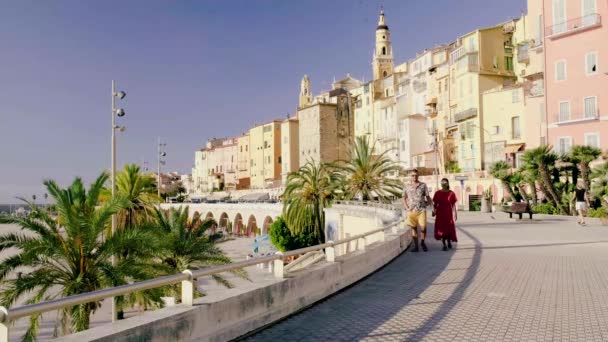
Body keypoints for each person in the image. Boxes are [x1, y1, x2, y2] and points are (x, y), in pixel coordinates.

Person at [403, 169, 432, 252]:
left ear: (418, 176)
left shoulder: (423, 185)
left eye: (416, 175)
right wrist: (407, 208)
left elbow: (428, 197)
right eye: (412, 175)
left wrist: (428, 204)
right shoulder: (406, 186)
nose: (414, 177)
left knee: (423, 228)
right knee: (414, 229)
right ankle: (416, 247)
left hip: (421, 210)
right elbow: (404, 198)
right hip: (411, 211)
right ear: (410, 176)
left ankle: (422, 242)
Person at [432, 178, 458, 251]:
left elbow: (453, 205)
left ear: (447, 184)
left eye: (445, 182)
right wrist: (433, 211)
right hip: (440, 214)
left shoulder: (451, 193)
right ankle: (444, 244)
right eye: (442, 182)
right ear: (441, 184)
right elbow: (434, 204)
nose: (443, 183)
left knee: (449, 228)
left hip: (448, 214)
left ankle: (449, 241)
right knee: (442, 229)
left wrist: (455, 214)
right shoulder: (437, 193)